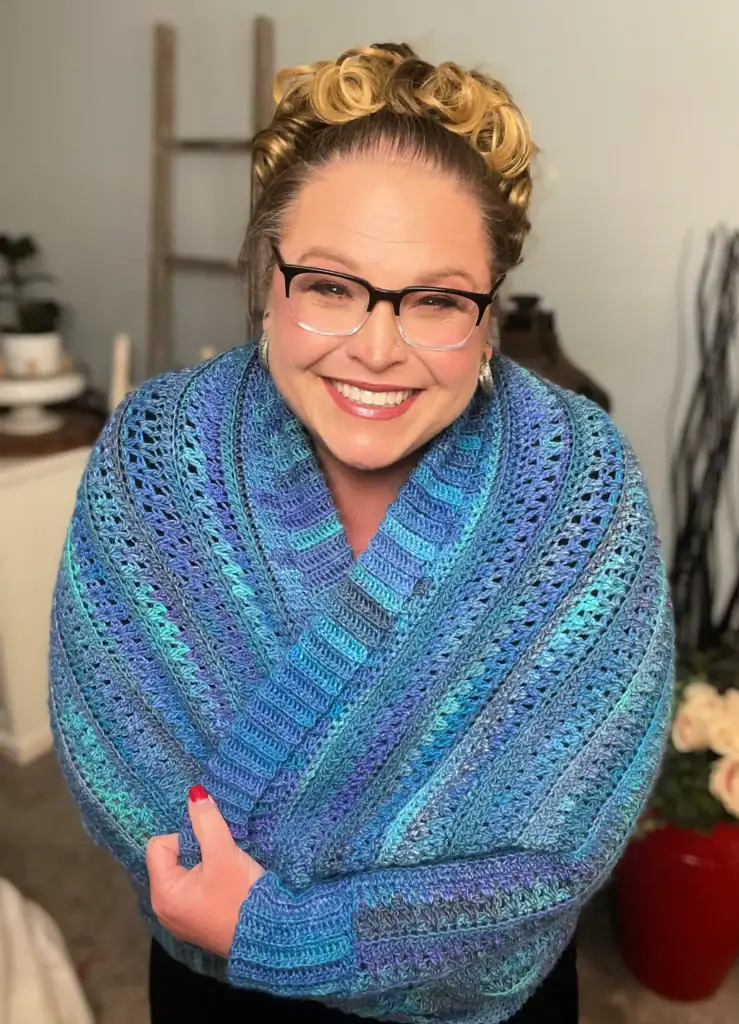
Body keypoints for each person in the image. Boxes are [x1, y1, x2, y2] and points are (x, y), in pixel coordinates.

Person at [49, 43, 675, 1024]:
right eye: (332, 286)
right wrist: (412, 853)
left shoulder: (580, 481)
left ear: (490, 312)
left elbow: (568, 840)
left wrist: (283, 923)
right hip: (219, 991)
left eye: (434, 300)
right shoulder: (156, 455)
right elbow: (119, 772)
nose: (377, 348)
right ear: (271, 278)